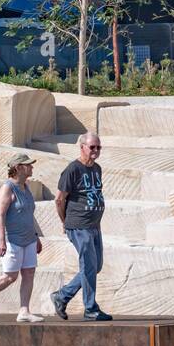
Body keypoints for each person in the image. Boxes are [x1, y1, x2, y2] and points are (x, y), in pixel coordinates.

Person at [50, 132, 112, 321]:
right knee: (88, 265)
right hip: (78, 225)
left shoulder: (97, 169)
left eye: (98, 147)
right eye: (92, 147)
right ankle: (90, 308)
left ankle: (62, 296)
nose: (95, 151)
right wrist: (65, 222)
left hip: (94, 225)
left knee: (96, 265)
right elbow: (59, 199)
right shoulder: (73, 169)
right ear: (82, 147)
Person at [0, 153, 45, 322]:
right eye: (28, 165)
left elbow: (29, 214)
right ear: (18, 168)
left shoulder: (26, 186)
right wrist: (1, 241)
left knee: (29, 273)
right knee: (10, 276)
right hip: (12, 239)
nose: (32, 167)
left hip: (29, 239)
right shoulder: (8, 187)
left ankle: (24, 311)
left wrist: (36, 236)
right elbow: (0, 215)